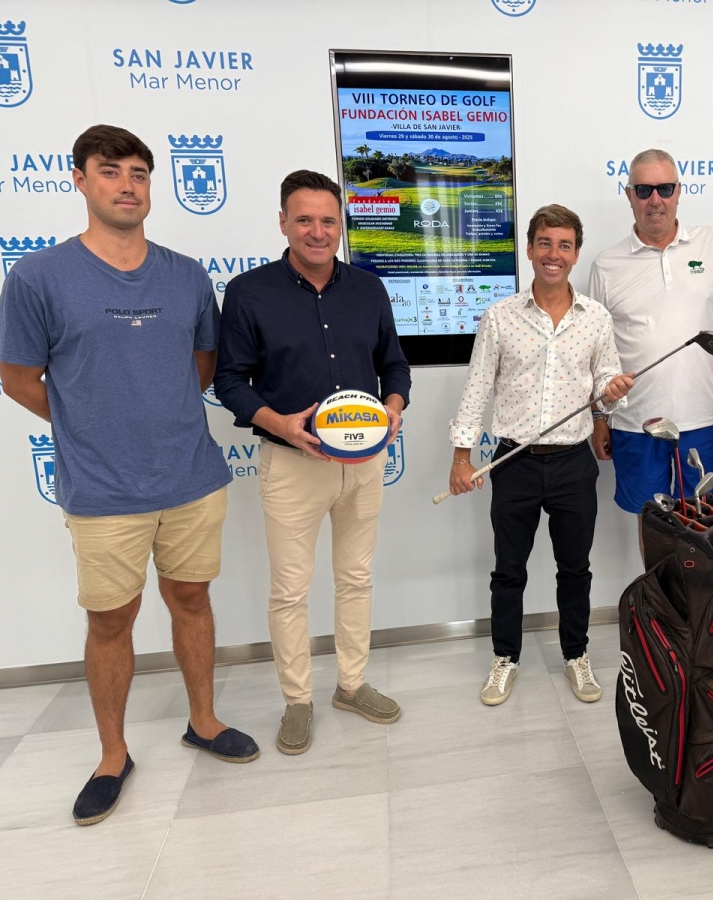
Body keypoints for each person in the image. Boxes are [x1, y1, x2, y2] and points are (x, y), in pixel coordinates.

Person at [0, 124, 258, 826]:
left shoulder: (186, 275)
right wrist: (90, 423)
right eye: (110, 171)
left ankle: (203, 720)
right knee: (111, 620)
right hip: (103, 488)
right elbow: (18, 379)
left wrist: (150, 411)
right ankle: (112, 755)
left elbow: (202, 366)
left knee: (192, 599)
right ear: (80, 180)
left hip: (191, 477)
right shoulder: (38, 277)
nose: (127, 185)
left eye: (139, 173)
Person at [215, 170, 410, 755]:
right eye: (304, 220)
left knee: (355, 578)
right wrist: (281, 424)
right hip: (291, 464)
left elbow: (394, 365)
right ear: (283, 223)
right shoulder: (248, 292)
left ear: (340, 224)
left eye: (328, 220)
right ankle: (297, 700)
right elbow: (230, 380)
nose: (317, 231)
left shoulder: (368, 289)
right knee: (290, 591)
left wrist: (394, 406)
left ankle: (351, 685)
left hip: (364, 462)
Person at [449, 204, 634, 706]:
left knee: (575, 569)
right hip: (514, 462)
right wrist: (461, 456)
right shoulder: (500, 317)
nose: (555, 254)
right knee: (508, 569)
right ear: (530, 249)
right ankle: (505, 657)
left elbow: (604, 386)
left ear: (576, 253)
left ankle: (576, 653)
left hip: (573, 462)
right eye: (545, 243)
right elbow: (477, 388)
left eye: (565, 245)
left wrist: (613, 392)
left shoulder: (596, 318)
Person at [588, 149, 713, 550]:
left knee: (709, 524)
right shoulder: (606, 264)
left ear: (679, 192)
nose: (655, 200)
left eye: (665, 189)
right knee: (653, 526)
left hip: (704, 417)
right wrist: (600, 418)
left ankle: (703, 595)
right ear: (629, 195)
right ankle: (659, 592)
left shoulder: (712, 244)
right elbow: (597, 351)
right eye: (644, 190)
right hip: (636, 422)